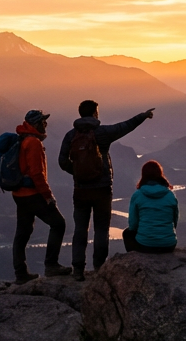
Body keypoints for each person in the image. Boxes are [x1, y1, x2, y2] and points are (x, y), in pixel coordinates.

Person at [57, 100, 155, 280]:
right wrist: (143, 115)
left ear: (80, 114)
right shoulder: (102, 133)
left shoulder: (70, 135)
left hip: (80, 190)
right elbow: (125, 126)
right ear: (95, 113)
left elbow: (62, 161)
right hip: (102, 188)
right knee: (101, 229)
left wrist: (77, 172)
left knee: (80, 229)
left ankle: (77, 270)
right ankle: (99, 268)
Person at [11, 109, 70, 282]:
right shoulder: (33, 142)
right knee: (59, 224)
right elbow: (37, 174)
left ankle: (21, 273)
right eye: (43, 122)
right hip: (32, 194)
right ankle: (51, 265)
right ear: (36, 124)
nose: (46, 125)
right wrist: (48, 196)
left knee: (22, 232)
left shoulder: (22, 139)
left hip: (19, 193)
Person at [122, 161, 178, 253]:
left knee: (127, 233)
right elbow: (174, 220)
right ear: (160, 174)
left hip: (145, 245)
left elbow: (133, 224)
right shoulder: (170, 195)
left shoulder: (138, 195)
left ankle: (135, 260)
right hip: (169, 245)